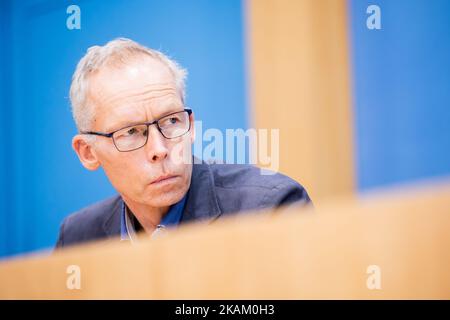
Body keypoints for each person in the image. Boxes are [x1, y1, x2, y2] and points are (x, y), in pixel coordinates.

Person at [55, 38, 311, 248]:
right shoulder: (78, 237)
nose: (160, 149)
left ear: (191, 127)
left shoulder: (270, 209)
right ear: (88, 152)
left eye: (171, 121)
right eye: (131, 131)